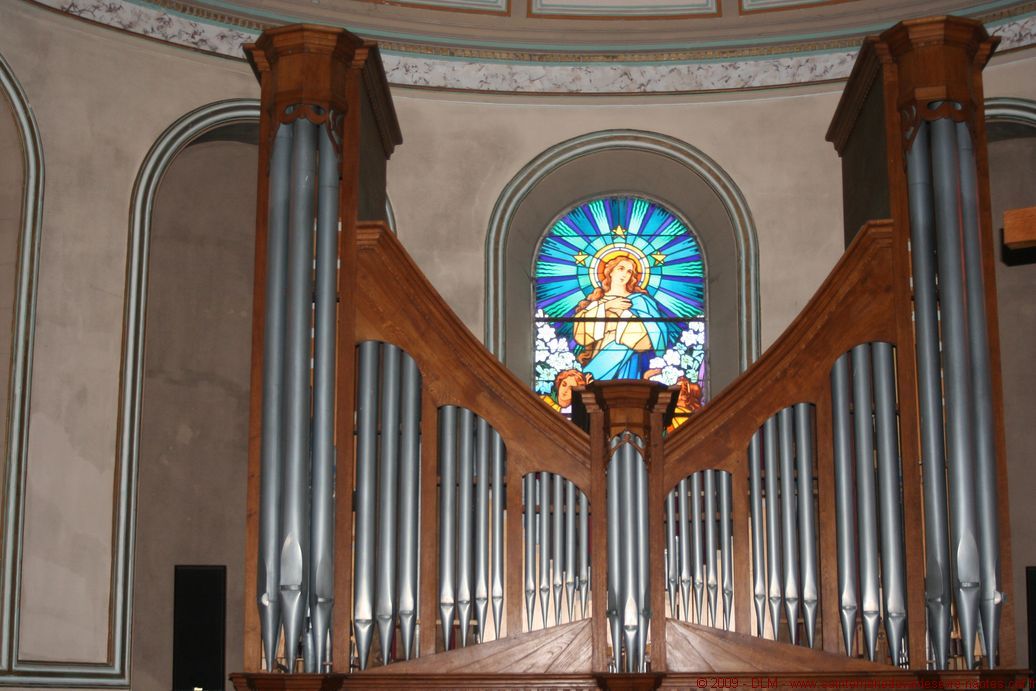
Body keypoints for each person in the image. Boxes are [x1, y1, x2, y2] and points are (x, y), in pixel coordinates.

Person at [573, 254, 677, 381]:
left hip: (629, 359)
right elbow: (580, 335)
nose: (625, 274)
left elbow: (656, 334)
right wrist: (606, 306)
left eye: (629, 272)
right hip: (598, 356)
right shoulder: (597, 302)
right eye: (621, 268)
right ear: (610, 272)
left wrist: (621, 314)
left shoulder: (640, 301)